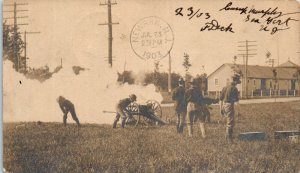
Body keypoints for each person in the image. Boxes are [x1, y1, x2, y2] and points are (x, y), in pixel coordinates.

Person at [219, 74, 241, 143]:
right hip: (229, 105)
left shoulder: (224, 87)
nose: (237, 84)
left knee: (228, 121)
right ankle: (229, 140)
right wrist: (239, 111)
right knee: (230, 123)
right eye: (237, 82)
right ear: (235, 82)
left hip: (224, 105)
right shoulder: (234, 89)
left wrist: (220, 109)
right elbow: (236, 102)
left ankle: (227, 136)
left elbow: (220, 100)